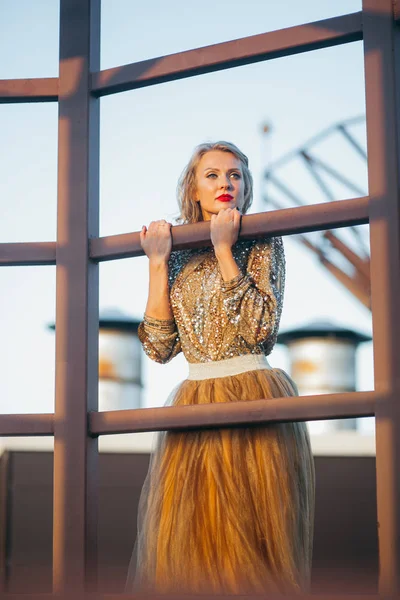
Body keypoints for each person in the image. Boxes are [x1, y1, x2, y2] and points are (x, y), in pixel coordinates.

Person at [126, 141, 315, 595]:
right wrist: (156, 263)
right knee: (191, 540)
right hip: (194, 400)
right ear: (193, 187)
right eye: (212, 175)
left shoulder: (264, 237)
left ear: (246, 189)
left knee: (255, 536)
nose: (225, 183)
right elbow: (158, 346)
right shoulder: (176, 251)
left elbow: (259, 329)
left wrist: (226, 250)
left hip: (254, 389)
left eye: (235, 175)